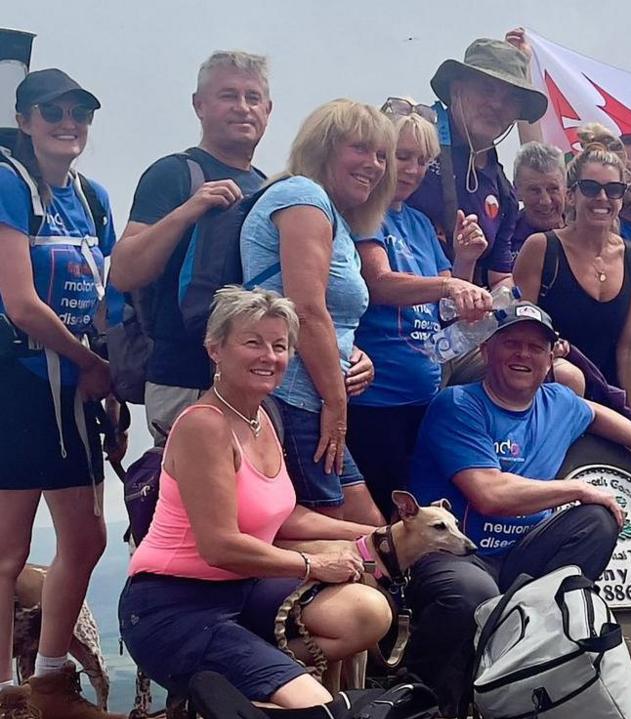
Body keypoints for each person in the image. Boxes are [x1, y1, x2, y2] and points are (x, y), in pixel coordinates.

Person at [79, 288, 392, 719]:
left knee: (367, 611)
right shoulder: (203, 425)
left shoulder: (260, 415)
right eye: (252, 342)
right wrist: (314, 567)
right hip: (172, 607)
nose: (269, 356)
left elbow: (285, 517)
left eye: (279, 344)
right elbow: (219, 545)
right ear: (215, 348)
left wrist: (379, 533)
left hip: (242, 593)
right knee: (311, 712)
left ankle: (257, 691)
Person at [406, 301, 631, 709]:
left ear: (551, 359)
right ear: (486, 351)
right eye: (511, 343)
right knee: (471, 593)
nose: (523, 355)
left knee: (598, 521)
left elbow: (597, 413)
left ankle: (536, 664)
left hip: (522, 554)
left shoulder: (558, 403)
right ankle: (428, 699)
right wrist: (576, 490)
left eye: (535, 348)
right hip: (453, 553)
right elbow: (490, 495)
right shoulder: (458, 405)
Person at [0, 68, 126, 719]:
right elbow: (20, 302)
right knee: (7, 549)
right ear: (24, 120)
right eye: (52, 111)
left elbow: (105, 297)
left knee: (85, 533)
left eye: (80, 112)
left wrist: (106, 377)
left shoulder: (92, 198)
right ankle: (5, 704)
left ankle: (49, 681)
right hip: (16, 379)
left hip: (74, 383)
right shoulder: (7, 183)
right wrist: (93, 365)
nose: (68, 122)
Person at [241, 99, 395, 525]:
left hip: (309, 399)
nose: (375, 164)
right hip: (291, 399)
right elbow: (305, 309)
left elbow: (330, 315)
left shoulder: (335, 218)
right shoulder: (302, 195)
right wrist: (336, 401)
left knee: (371, 538)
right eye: (361, 149)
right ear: (324, 148)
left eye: (382, 155)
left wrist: (351, 357)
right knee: (349, 545)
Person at [110, 50, 272, 442]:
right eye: (228, 95)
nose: (242, 108)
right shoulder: (173, 174)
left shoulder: (269, 187)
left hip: (255, 385)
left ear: (269, 109)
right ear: (199, 105)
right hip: (185, 381)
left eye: (253, 98)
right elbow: (124, 271)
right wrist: (189, 210)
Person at [350, 101, 492, 520]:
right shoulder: (364, 213)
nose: (411, 170)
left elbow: (448, 306)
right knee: (384, 520)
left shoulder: (419, 224)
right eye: (402, 156)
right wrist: (452, 282)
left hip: (424, 395)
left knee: (420, 516)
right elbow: (379, 283)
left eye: (422, 160)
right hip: (375, 401)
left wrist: (465, 261)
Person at [512, 134, 631, 415]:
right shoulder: (542, 248)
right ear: (571, 195)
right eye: (590, 188)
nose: (602, 198)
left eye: (613, 189)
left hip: (606, 402)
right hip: (546, 398)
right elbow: (515, 332)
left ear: (622, 198)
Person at [408, 33, 547, 288]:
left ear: (518, 113)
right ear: (456, 89)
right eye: (487, 89)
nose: (496, 104)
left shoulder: (504, 191)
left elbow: (499, 275)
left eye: (511, 99)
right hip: (388, 315)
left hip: (455, 316)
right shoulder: (416, 137)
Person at [495, 140, 566, 279]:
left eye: (553, 189)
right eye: (534, 190)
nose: (546, 201)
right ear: (516, 190)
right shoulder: (502, 236)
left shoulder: (584, 234)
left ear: (565, 188)